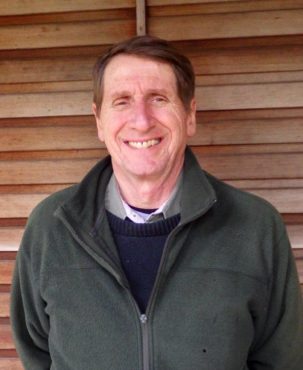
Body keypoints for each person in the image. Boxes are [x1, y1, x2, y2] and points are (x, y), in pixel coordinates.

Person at [11, 35, 303, 370]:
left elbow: (282, 361)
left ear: (190, 115)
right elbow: (36, 354)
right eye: (122, 101)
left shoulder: (256, 226)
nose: (141, 120)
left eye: (159, 99)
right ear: (99, 122)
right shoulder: (50, 227)